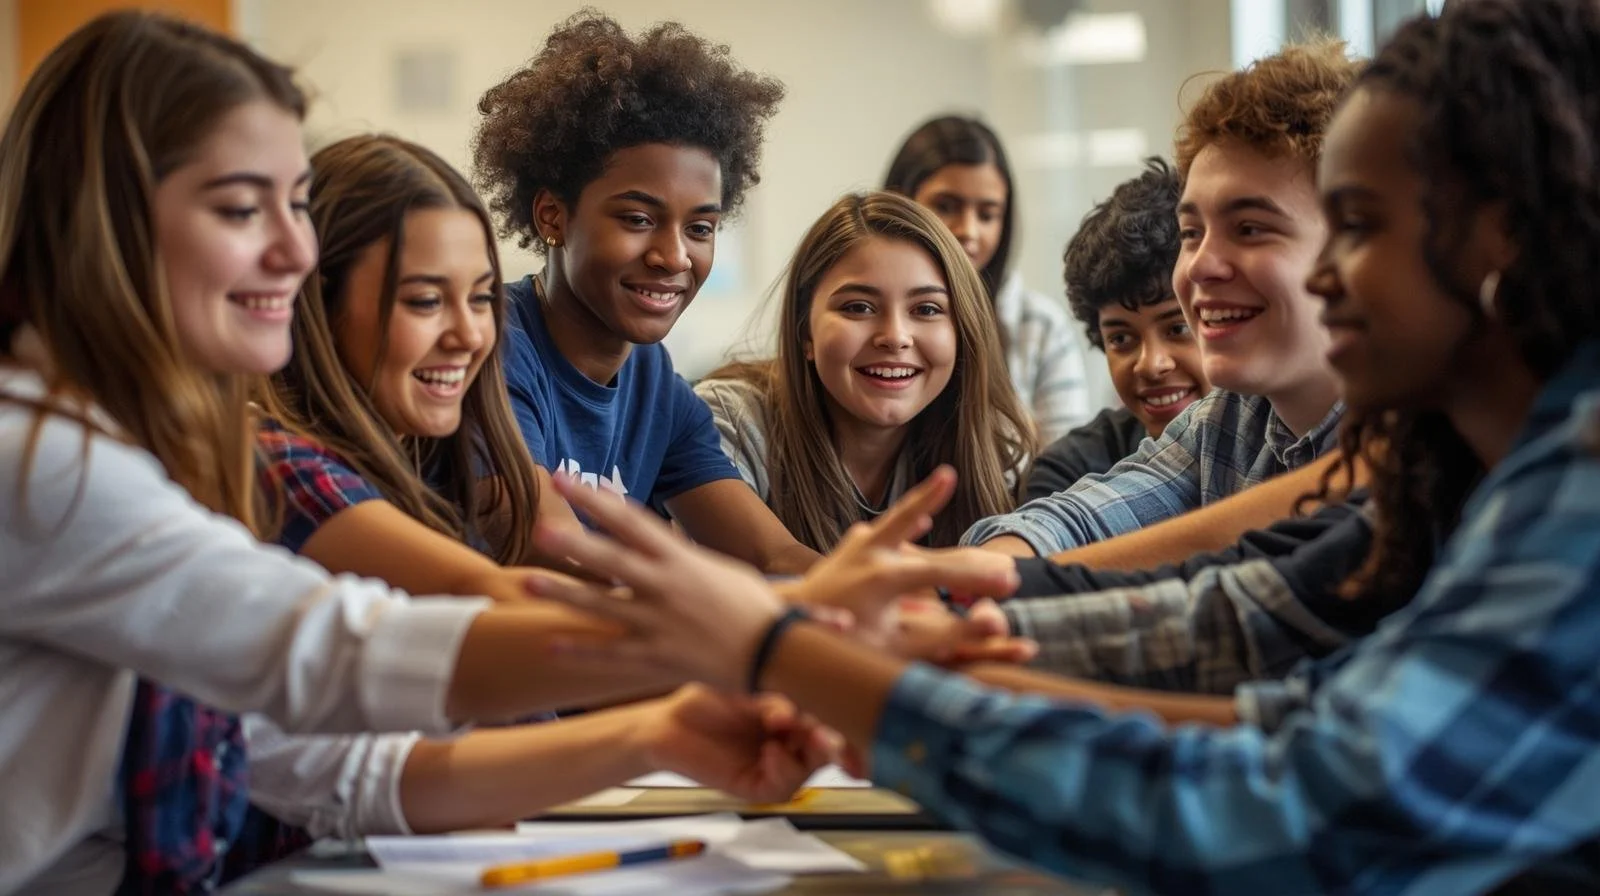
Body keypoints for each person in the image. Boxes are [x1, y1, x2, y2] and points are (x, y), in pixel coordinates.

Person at [521, 0, 1600, 888]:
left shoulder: (1569, 474)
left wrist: (802, 652)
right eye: (1190, 230)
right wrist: (891, 638)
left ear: (1503, 232)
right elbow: (1228, 616)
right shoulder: (1412, 453)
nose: (1320, 280)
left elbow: (1293, 795)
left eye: (1346, 228)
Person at [0, 14, 847, 894]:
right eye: (243, 207)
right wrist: (777, 644)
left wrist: (659, 734)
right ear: (100, 220)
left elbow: (340, 771)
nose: (294, 251)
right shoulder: (42, 465)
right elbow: (353, 649)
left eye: (297, 204)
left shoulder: (149, 454)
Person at [237, 133, 841, 853]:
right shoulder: (282, 469)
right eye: (426, 300)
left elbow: (407, 765)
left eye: (482, 299)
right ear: (313, 304)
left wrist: (669, 727)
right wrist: (800, 634)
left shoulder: (425, 451)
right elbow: (507, 595)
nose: (469, 334)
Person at [967, 43, 1355, 560]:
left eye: (1250, 229)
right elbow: (1081, 516)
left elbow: (1236, 610)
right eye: (1191, 232)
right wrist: (970, 569)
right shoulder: (1230, 419)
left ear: (1359, 246)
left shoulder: (1417, 444)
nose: (1199, 265)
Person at [472, 12, 819, 574]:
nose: (675, 256)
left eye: (700, 228)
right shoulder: (493, 347)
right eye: (638, 218)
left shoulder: (656, 384)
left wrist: (887, 596)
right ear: (552, 216)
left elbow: (771, 552)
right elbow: (553, 543)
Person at [695, 192, 1034, 551]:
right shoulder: (729, 421)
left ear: (962, 331)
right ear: (804, 331)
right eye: (858, 307)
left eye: (927, 309)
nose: (895, 337)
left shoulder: (998, 447)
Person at [884, 115, 1094, 443]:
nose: (968, 231)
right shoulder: (872, 324)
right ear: (899, 202)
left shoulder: (1039, 325)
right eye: (946, 206)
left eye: (987, 214)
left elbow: (1068, 469)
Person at [1024, 157, 1209, 501]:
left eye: (1177, 328)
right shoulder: (1072, 469)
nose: (1152, 365)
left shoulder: (1284, 448)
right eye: (1121, 338)